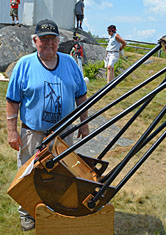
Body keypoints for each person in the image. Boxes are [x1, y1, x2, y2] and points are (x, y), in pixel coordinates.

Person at [6, 19, 89, 231]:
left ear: (58, 41)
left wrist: (84, 123)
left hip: (63, 133)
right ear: (35, 41)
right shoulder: (24, 64)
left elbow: (81, 95)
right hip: (33, 132)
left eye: (52, 39)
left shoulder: (70, 63)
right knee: (28, 173)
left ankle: (56, 209)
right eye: (44, 39)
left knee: (63, 172)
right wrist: (12, 131)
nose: (49, 43)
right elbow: (12, 100)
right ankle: (27, 214)